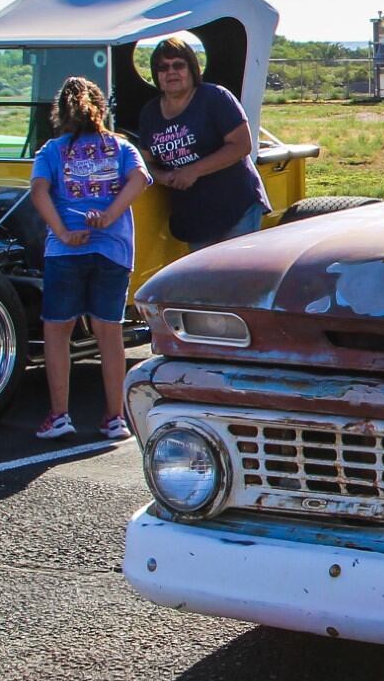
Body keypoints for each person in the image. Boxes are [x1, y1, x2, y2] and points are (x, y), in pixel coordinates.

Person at [29, 76, 149, 440]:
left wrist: (63, 232)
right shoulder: (120, 146)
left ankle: (59, 414)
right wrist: (110, 215)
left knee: (57, 330)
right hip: (112, 249)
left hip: (67, 249)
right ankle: (115, 418)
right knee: (108, 332)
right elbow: (140, 179)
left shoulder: (52, 150)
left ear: (60, 113)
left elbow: (38, 192)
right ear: (102, 108)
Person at [135, 31, 267, 247]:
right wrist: (162, 176)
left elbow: (242, 145)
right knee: (204, 280)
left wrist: (193, 170)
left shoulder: (215, 98)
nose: (171, 72)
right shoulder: (150, 113)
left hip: (234, 207)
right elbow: (145, 160)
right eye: (163, 67)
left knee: (237, 279)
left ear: (192, 69)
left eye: (178, 65)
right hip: (195, 216)